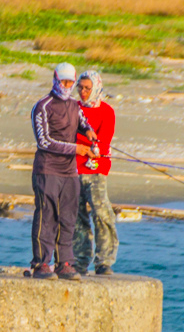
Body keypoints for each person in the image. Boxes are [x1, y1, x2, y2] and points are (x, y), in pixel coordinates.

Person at [29, 62, 97, 281]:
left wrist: (88, 133)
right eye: (63, 81)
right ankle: (41, 263)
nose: (67, 86)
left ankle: (64, 263)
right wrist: (77, 148)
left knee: (68, 218)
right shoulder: (43, 106)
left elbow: (83, 123)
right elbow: (44, 142)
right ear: (55, 80)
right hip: (47, 169)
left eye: (70, 82)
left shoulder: (75, 106)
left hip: (69, 172)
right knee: (46, 215)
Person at [73, 70, 119, 276]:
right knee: (76, 216)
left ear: (96, 88)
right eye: (80, 87)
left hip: (96, 170)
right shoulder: (72, 109)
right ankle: (79, 261)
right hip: (72, 169)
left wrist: (93, 151)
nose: (83, 92)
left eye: (87, 88)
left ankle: (104, 261)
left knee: (101, 214)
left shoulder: (107, 111)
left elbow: (104, 141)